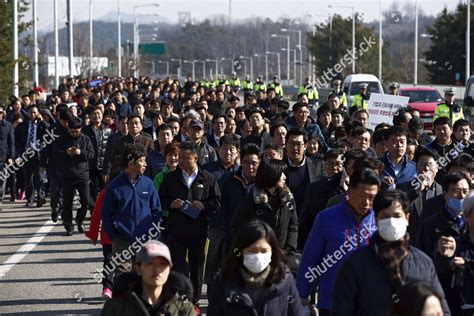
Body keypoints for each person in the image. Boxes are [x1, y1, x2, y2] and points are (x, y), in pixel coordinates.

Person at [332, 189, 450, 316]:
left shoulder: (423, 262)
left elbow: (440, 308)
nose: (391, 222)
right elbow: (342, 308)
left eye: (397, 216)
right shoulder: (357, 263)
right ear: (376, 220)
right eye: (385, 217)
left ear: (407, 218)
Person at [296, 168, 380, 315]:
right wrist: (302, 295)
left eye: (372, 198)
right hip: (332, 302)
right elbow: (311, 258)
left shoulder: (380, 222)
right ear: (349, 191)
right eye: (362, 196)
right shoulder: (326, 219)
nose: (367, 203)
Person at [158, 141, 221, 310]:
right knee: (178, 268)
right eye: (180, 157)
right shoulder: (170, 178)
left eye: (187, 158)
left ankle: (194, 301)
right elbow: (160, 200)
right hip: (176, 231)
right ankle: (179, 300)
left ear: (196, 158)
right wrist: (171, 203)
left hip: (199, 232)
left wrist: (203, 205)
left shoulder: (208, 178)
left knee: (197, 268)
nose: (182, 161)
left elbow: (217, 202)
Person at [208, 220, 304, 316]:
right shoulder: (224, 280)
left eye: (263, 251)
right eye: (251, 250)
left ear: (272, 251)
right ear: (241, 251)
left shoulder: (283, 279)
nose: (258, 255)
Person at [102, 144, 162, 278]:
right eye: (142, 161)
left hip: (145, 239)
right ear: (131, 163)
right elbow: (106, 214)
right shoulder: (114, 186)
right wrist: (114, 237)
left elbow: (156, 210)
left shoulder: (148, 183)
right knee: (123, 276)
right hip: (122, 240)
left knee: (144, 276)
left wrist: (155, 233)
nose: (145, 164)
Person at [418, 172, 471, 315]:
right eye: (456, 191)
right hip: (443, 293)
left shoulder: (471, 223)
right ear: (446, 194)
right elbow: (423, 260)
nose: (461, 196)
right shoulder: (430, 225)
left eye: (465, 192)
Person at [101, 240, 196, 316]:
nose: (157, 269)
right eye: (150, 263)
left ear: (169, 269)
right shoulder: (116, 308)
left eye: (163, 264)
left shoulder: (183, 309)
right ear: (138, 268)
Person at [231, 159, 298, 253]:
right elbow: (238, 228)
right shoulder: (249, 201)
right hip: (256, 255)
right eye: (281, 173)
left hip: (282, 255)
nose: (284, 177)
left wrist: (289, 249)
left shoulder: (287, 199)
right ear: (271, 174)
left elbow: (293, 225)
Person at [434, 191, 474, 316]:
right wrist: (444, 257)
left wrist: (468, 264)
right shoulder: (455, 245)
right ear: (467, 215)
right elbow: (438, 273)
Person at [298, 149, 345, 250]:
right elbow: (304, 219)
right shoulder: (313, 188)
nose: (334, 168)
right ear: (324, 166)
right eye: (330, 164)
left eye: (338, 164)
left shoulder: (350, 188)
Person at [56, 117, 95, 236]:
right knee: (67, 202)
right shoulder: (62, 139)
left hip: (82, 175)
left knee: (85, 200)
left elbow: (91, 154)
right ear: (68, 129)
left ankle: (80, 220)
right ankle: (68, 225)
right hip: (67, 175)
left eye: (77, 131)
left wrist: (80, 152)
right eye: (72, 131)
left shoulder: (85, 139)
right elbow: (56, 154)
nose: (74, 133)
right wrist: (66, 153)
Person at [14, 104, 48, 207]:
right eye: (31, 112)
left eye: (34, 112)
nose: (33, 114)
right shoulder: (22, 125)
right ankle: (30, 199)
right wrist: (20, 151)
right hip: (26, 154)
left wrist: (42, 121)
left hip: (38, 154)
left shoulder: (41, 125)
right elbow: (17, 140)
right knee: (27, 178)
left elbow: (50, 131)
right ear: (28, 113)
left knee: (39, 177)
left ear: (38, 113)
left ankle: (40, 198)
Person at [285, 128, 324, 217]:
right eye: (291, 144)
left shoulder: (318, 165)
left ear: (305, 146)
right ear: (286, 145)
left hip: (311, 218)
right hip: (287, 218)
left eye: (299, 144)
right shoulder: (279, 167)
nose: (295, 148)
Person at [82, 106, 112, 203]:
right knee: (92, 190)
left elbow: (110, 149)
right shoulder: (85, 131)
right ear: (90, 116)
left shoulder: (108, 130)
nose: (96, 116)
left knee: (105, 190)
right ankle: (93, 209)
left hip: (104, 165)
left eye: (99, 113)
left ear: (102, 115)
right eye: (94, 114)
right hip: (90, 166)